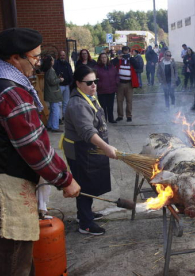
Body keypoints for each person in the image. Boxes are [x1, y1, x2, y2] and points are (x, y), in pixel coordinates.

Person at [0, 27, 80, 275]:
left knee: (17, 252)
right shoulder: (10, 92)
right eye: (34, 57)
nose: (38, 64)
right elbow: (34, 146)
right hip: (7, 183)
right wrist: (65, 179)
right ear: (14, 58)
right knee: (14, 259)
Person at [63, 65, 117, 235]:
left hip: (91, 149)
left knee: (91, 183)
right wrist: (106, 147)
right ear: (78, 83)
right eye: (89, 83)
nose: (94, 85)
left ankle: (83, 214)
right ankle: (86, 224)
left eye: (95, 81)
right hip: (81, 150)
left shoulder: (89, 96)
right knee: (84, 184)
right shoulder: (78, 104)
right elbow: (87, 132)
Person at [112, 46, 139, 122]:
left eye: (127, 52)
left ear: (129, 52)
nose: (126, 54)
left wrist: (131, 58)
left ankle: (129, 116)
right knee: (119, 100)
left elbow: (138, 66)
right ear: (122, 52)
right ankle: (120, 116)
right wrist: (118, 58)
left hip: (129, 83)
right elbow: (111, 64)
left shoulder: (131, 60)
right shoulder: (119, 60)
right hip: (120, 83)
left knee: (129, 100)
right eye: (124, 52)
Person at [41, 55, 64, 133]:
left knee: (52, 110)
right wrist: (60, 80)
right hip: (53, 93)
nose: (54, 61)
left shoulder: (48, 70)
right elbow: (52, 82)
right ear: (51, 62)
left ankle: (50, 125)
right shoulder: (51, 70)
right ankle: (55, 127)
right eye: (53, 60)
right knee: (55, 110)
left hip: (51, 93)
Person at [95, 53, 119, 124]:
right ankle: (103, 120)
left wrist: (116, 82)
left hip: (111, 89)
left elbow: (116, 75)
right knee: (103, 107)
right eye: (102, 57)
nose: (104, 59)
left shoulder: (111, 66)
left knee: (110, 106)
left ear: (107, 58)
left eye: (105, 57)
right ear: (99, 59)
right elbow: (94, 78)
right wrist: (99, 85)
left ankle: (111, 119)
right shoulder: (96, 67)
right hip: (102, 90)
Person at [53, 50, 73, 123]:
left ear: (65, 56)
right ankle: (59, 118)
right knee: (59, 103)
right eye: (61, 55)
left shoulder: (67, 64)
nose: (62, 56)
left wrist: (71, 82)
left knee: (66, 103)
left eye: (63, 55)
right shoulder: (56, 64)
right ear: (59, 56)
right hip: (59, 86)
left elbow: (70, 73)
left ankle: (65, 117)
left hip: (67, 85)